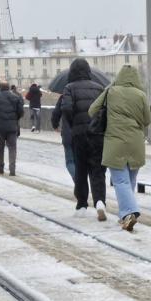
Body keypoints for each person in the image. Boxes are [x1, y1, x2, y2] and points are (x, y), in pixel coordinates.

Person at [89, 65, 150, 232]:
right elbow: (147, 120)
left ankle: (130, 213)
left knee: (120, 181)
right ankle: (125, 215)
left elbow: (92, 109)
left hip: (115, 142)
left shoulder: (111, 91)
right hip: (136, 143)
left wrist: (110, 89)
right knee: (129, 180)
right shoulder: (141, 95)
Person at [61, 59, 107, 219]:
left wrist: (73, 123)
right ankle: (100, 201)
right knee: (98, 169)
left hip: (79, 134)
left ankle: (81, 205)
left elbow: (65, 108)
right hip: (97, 135)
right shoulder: (99, 88)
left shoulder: (69, 88)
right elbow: (104, 110)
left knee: (80, 169)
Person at [0, 81, 24, 177]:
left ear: (0, 88)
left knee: (0, 148)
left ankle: (0, 167)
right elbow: (21, 112)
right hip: (12, 126)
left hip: (0, 126)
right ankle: (12, 169)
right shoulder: (15, 97)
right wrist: (15, 118)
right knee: (12, 147)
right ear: (8, 88)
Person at [51, 93, 76, 181]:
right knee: (83, 162)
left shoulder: (65, 96)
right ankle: (81, 183)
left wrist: (55, 125)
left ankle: (77, 180)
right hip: (85, 134)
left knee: (70, 161)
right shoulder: (91, 93)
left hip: (68, 134)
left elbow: (56, 113)